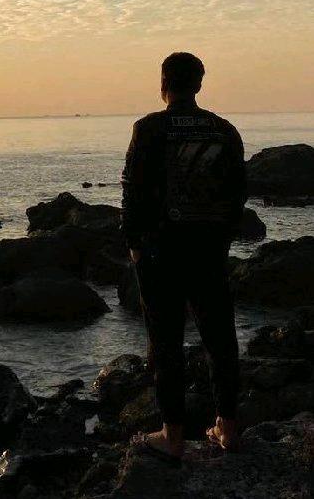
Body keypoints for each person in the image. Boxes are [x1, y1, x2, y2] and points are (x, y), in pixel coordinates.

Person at [121, 52, 246, 464]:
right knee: (220, 339)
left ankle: (172, 435)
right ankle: (227, 428)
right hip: (208, 250)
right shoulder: (224, 131)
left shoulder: (149, 129)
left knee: (166, 343)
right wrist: (222, 239)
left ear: (163, 84)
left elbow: (133, 192)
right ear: (199, 84)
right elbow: (237, 193)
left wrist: (135, 245)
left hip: (161, 253)